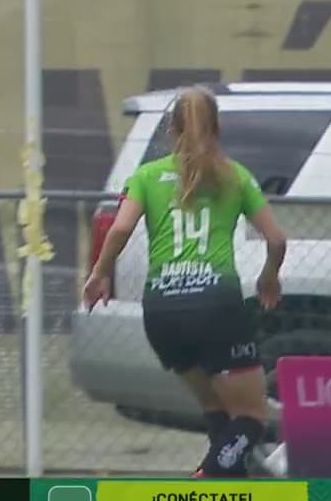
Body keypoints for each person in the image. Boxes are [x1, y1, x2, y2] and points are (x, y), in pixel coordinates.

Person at [83, 86, 287, 477]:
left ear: (171, 131)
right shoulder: (235, 176)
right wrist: (269, 277)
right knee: (252, 416)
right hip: (215, 307)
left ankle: (226, 494)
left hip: (163, 310)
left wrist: (100, 273)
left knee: (217, 408)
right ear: (217, 129)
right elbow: (276, 239)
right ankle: (210, 473)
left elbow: (120, 228)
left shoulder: (145, 176)